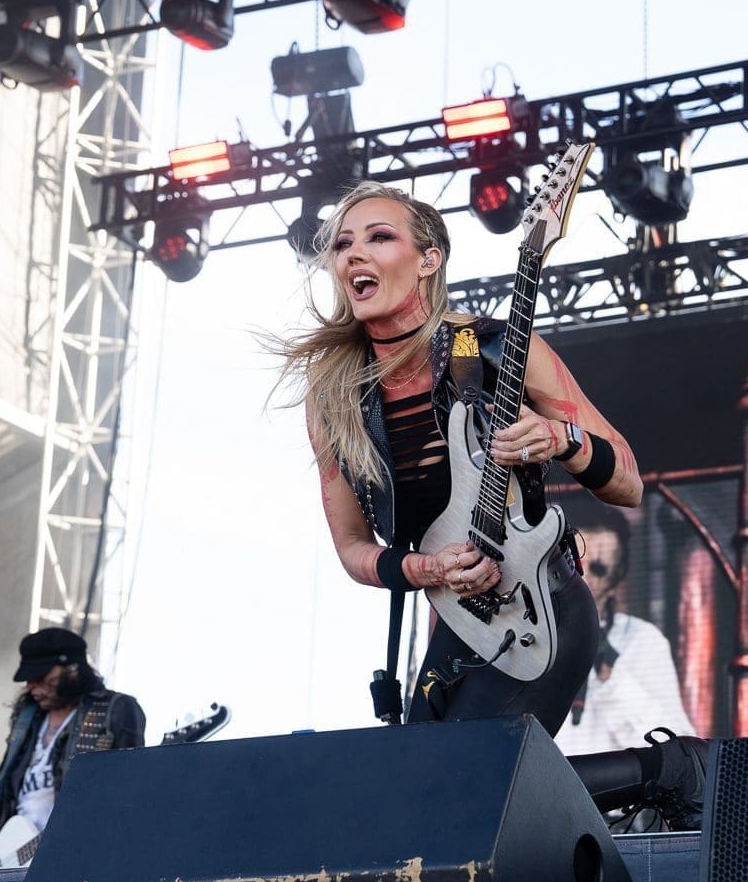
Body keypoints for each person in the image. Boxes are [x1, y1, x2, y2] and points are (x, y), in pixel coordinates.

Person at [274, 181, 642, 734]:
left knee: (477, 782)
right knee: (416, 792)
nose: (354, 254)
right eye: (343, 244)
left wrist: (562, 439)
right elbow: (352, 546)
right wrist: (427, 568)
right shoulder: (332, 395)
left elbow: (630, 482)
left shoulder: (494, 346)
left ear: (429, 259)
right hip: (461, 621)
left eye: (379, 237)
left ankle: (663, 770)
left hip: (547, 607)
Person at [0, 628, 145, 869]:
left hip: (73, 858)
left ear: (72, 669)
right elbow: (0, 786)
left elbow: (130, 793)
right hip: (11, 854)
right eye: (28, 678)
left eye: (41, 676)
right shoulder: (29, 718)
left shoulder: (116, 710)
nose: (31, 686)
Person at [555, 499, 695, 755]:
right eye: (571, 562)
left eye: (596, 569)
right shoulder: (522, 636)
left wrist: (613, 678)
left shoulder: (643, 642)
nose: (580, 577)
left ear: (615, 582)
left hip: (609, 794)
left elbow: (680, 752)